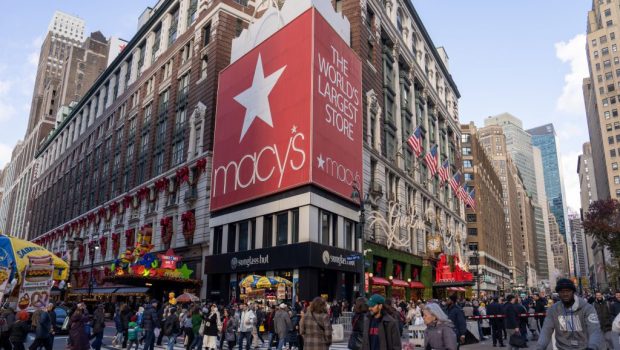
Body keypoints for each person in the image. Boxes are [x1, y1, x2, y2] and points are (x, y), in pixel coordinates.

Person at [536, 278, 603, 350]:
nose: (565, 294)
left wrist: (592, 347)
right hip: (562, 348)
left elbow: (594, 330)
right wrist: (540, 347)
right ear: (558, 293)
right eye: (561, 291)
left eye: (568, 291)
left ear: (573, 292)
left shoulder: (587, 308)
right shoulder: (553, 310)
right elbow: (546, 331)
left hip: (584, 347)